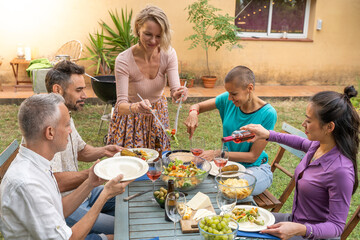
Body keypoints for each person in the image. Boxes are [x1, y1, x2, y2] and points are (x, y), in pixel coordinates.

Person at [0, 93, 132, 240]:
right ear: (50, 132)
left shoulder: (36, 163)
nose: (70, 131)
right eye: (67, 124)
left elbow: (59, 210)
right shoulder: (28, 184)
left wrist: (89, 182)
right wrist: (105, 194)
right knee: (127, 234)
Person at [242, 86, 359, 240]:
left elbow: (336, 227)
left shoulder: (341, 171)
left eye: (309, 121)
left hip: (312, 235)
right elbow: (299, 142)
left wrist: (300, 229)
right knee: (240, 221)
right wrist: (268, 134)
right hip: (294, 221)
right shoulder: (317, 146)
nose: (303, 123)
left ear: (329, 127)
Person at [45, 60, 122, 234]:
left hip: (85, 193)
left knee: (126, 198)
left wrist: (104, 150)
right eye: (79, 90)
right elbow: (57, 182)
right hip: (66, 205)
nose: (85, 95)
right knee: (122, 226)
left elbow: (81, 150)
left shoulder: (65, 114)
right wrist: (93, 175)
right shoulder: (48, 124)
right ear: (58, 90)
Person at [185, 66, 277, 195]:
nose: (229, 98)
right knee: (193, 178)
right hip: (226, 167)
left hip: (255, 168)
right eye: (228, 93)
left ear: (249, 88)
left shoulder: (268, 113)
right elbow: (197, 106)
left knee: (231, 190)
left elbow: (253, 156)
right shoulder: (228, 100)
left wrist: (217, 153)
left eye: (234, 94)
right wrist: (193, 112)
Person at [107, 5, 188, 152]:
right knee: (132, 166)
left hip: (158, 115)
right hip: (131, 119)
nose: (153, 41)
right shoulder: (124, 60)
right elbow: (120, 106)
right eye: (148, 34)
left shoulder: (168, 53)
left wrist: (178, 94)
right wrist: (137, 107)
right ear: (138, 28)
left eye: (159, 36)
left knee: (157, 165)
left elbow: (175, 91)